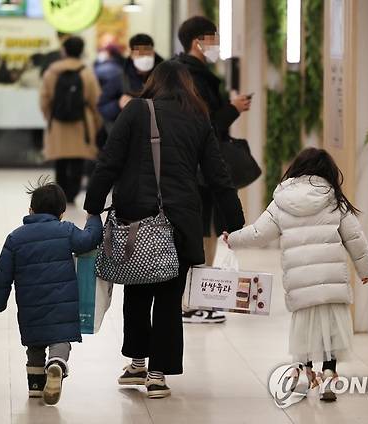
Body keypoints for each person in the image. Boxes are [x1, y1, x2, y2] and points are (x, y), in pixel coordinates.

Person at [84, 60, 244, 399]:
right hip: (182, 219)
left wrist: (93, 207)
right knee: (170, 296)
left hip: (137, 216)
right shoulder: (198, 117)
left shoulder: (136, 111)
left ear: (153, 83)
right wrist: (235, 224)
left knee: (138, 289)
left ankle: (138, 363)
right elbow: (219, 176)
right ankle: (158, 374)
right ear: (187, 86)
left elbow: (108, 161)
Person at [224, 148, 368, 402]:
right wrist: (365, 269)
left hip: (300, 282)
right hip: (331, 280)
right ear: (327, 171)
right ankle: (329, 374)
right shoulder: (333, 199)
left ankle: (305, 374)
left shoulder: (283, 200)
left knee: (304, 330)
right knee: (331, 330)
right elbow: (354, 237)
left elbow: (259, 233)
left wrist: (233, 240)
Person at [0, 179, 103, 405]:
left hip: (31, 306)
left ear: (30, 210)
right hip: (62, 304)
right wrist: (94, 220)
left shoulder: (16, 238)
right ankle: (57, 365)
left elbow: (1, 273)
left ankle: (34, 386)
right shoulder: (66, 230)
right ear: (61, 213)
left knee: (35, 344)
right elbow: (88, 240)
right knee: (60, 339)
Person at [175, 16, 252, 324]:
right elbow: (205, 124)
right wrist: (233, 108)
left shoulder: (184, 73)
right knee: (199, 231)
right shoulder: (195, 77)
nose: (217, 45)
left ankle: (196, 298)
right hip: (199, 165)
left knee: (203, 229)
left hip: (191, 163)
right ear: (199, 41)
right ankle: (192, 301)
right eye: (213, 38)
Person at [40, 36, 101, 205]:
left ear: (64, 51)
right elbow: (96, 100)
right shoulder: (86, 72)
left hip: (58, 122)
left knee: (60, 161)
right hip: (81, 122)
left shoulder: (52, 71)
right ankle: (72, 194)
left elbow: (44, 99)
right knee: (77, 160)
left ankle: (61, 194)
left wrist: (50, 115)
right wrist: (96, 121)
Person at [98, 34, 164, 128]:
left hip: (160, 133)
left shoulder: (164, 77)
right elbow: (102, 108)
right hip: (131, 136)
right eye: (139, 53)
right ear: (131, 54)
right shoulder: (120, 79)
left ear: (153, 52)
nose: (144, 57)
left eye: (147, 51)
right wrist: (118, 104)